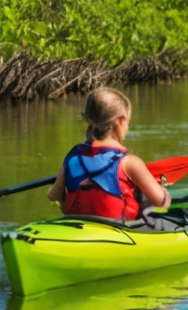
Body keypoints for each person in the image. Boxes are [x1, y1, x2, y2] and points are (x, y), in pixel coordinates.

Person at [47, 87, 170, 221]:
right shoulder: (130, 163)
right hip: (120, 231)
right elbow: (161, 202)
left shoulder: (73, 156)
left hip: (77, 223)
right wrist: (163, 190)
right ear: (121, 121)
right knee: (144, 197)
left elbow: (53, 195)